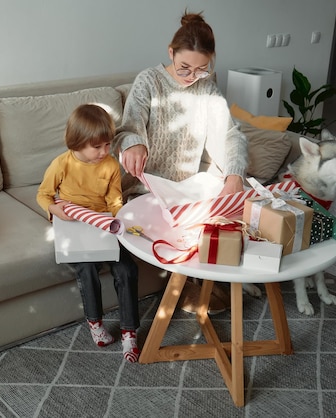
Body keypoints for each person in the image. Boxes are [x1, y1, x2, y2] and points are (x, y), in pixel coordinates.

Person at [113, 11, 248, 313]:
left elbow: (230, 136)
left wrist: (235, 174)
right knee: (178, 225)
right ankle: (190, 286)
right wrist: (133, 144)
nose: (191, 77)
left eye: (201, 70)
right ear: (170, 52)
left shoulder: (207, 88)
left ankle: (212, 281)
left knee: (238, 202)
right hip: (149, 188)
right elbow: (127, 130)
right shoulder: (148, 81)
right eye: (184, 67)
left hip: (187, 186)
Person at [37, 103, 141, 363]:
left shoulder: (110, 165)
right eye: (97, 147)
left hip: (102, 223)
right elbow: (43, 194)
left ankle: (130, 331)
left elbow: (114, 200)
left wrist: (119, 221)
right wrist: (54, 210)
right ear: (77, 143)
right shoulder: (61, 164)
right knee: (86, 268)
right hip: (73, 223)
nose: (104, 152)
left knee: (127, 269)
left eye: (107, 145)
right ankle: (95, 322)